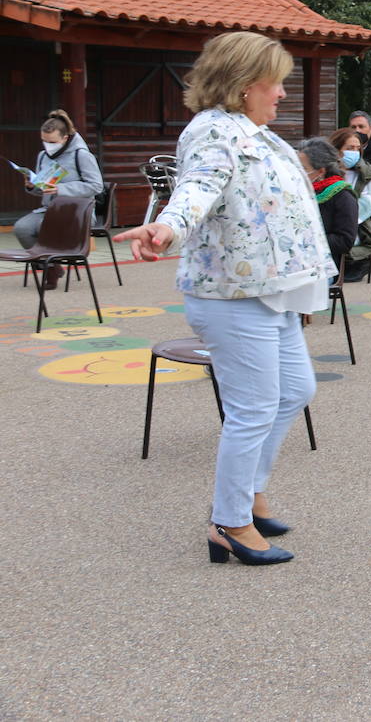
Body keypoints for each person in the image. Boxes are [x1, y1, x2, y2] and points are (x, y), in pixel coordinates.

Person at [115, 32, 334, 566]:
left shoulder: (254, 132)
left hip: (267, 293)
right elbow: (197, 187)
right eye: (275, 82)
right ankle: (229, 522)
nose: (282, 93)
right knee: (253, 407)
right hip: (233, 296)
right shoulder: (216, 131)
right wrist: (165, 228)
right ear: (242, 85)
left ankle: (249, 495)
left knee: (294, 390)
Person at [12, 109, 103, 289]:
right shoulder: (42, 156)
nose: (48, 146)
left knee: (44, 227)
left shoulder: (81, 155)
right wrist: (33, 186)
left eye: (52, 142)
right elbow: (44, 190)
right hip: (50, 210)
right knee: (22, 228)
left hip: (77, 212)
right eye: (44, 141)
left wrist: (61, 188)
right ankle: (52, 266)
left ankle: (50, 270)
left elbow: (96, 186)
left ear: (65, 138)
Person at [328, 128, 371, 281]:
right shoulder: (325, 172)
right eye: (350, 148)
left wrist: (344, 217)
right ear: (337, 150)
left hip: (353, 226)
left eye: (357, 149)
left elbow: (370, 203)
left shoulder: (365, 174)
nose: (354, 152)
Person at [299, 137, 360, 266]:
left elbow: (345, 241)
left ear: (321, 171)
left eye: (303, 168)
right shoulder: (301, 192)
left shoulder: (343, 196)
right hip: (300, 260)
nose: (298, 173)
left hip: (325, 265)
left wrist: (306, 239)